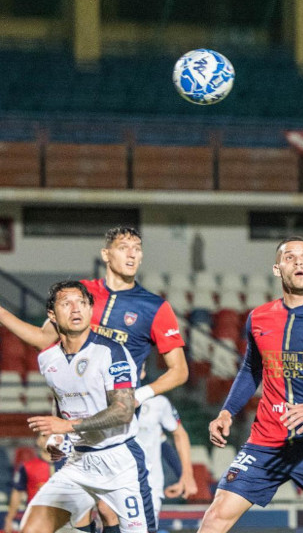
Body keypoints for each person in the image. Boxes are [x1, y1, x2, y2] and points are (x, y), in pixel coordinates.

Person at [0, 226, 188, 533]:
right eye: (124, 247)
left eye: (137, 248)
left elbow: (180, 371)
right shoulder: (80, 295)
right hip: (79, 445)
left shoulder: (154, 306)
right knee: (64, 518)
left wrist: (138, 396)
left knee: (108, 511)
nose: (132, 254)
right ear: (106, 254)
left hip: (119, 430)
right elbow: (45, 344)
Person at [197, 236, 303, 533]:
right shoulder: (258, 318)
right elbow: (251, 370)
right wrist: (227, 411)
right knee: (215, 517)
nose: (299, 261)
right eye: (289, 257)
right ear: (277, 269)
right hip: (266, 441)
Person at [20, 280, 155, 533]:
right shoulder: (48, 359)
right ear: (52, 315)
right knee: (32, 529)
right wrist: (57, 437)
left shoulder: (111, 351)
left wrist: (67, 426)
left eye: (82, 303)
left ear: (90, 310)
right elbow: (61, 401)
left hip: (119, 462)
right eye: (66, 303)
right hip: (79, 462)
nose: (76, 309)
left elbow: (124, 411)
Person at [134, 365, 198, 517]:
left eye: (140, 366)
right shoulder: (102, 399)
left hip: (150, 485)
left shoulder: (158, 402)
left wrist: (185, 475)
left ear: (143, 372)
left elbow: (177, 436)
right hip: (112, 482)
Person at [4, 435, 54, 533]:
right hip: (35, 519)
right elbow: (17, 492)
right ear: (38, 441)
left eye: (52, 436)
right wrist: (9, 518)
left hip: (65, 520)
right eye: (44, 436)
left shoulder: (70, 466)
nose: (48, 439)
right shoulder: (27, 466)